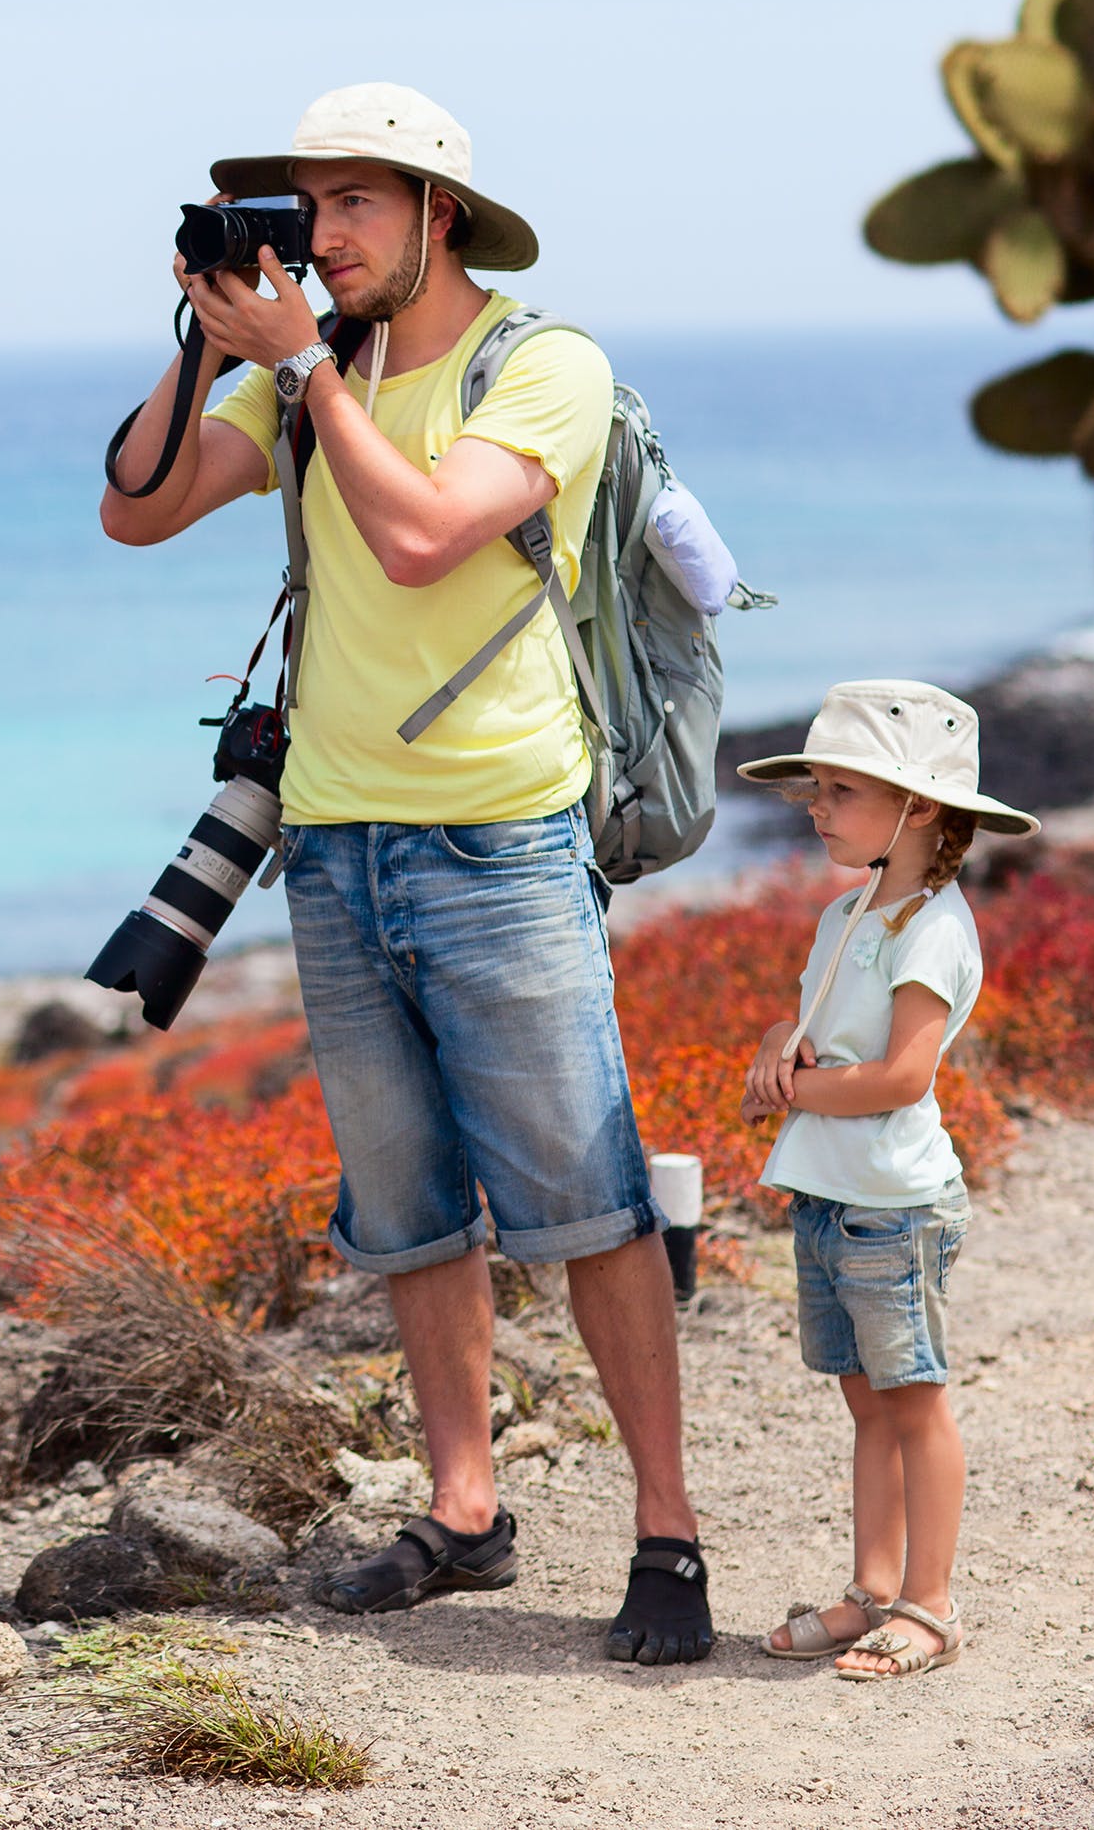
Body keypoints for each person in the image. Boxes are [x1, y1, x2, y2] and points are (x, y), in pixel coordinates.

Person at [98, 82, 710, 1664]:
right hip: (334, 840)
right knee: (409, 1212)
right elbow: (132, 513)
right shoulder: (313, 373)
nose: (325, 233)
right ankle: (463, 1511)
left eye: (356, 201)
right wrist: (208, 351)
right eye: (306, 204)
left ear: (440, 211)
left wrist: (301, 364)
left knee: (589, 1203)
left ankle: (669, 1533)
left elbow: (431, 531)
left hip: (499, 840)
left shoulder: (544, 366)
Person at [736, 681, 1036, 1679]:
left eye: (838, 789)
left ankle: (929, 1605)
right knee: (867, 1402)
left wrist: (798, 1093)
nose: (815, 807)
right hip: (830, 1197)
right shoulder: (849, 911)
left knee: (914, 1403)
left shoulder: (933, 931)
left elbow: (904, 1076)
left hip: (892, 1206)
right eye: (816, 789)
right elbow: (816, 1032)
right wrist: (781, 1049)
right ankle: (870, 1589)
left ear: (922, 810)